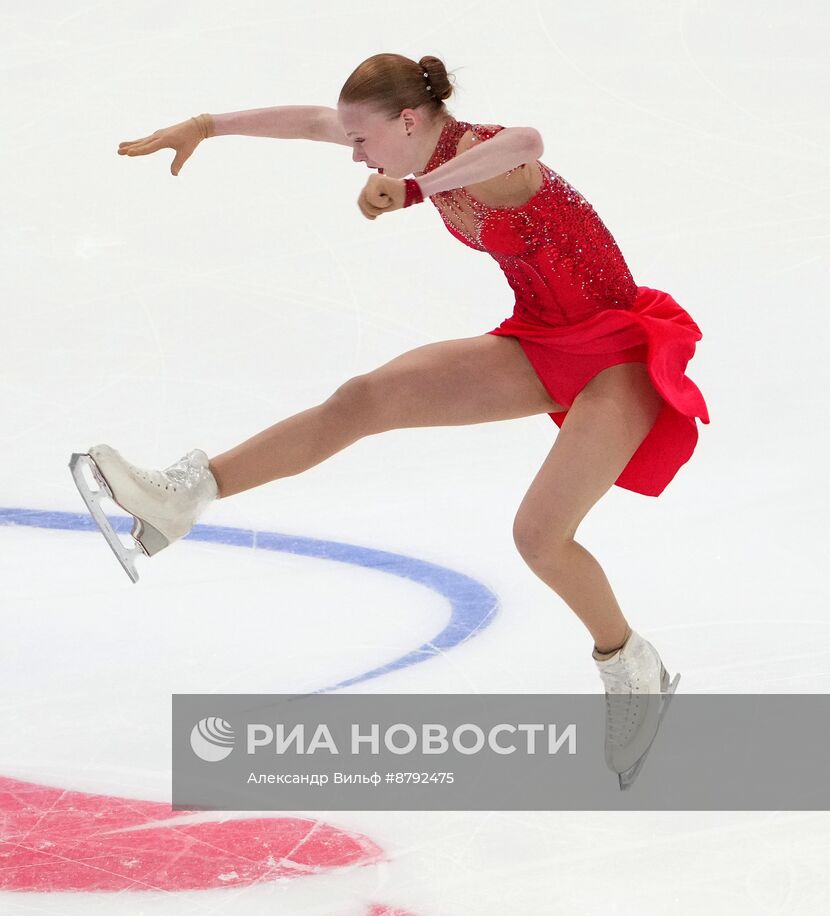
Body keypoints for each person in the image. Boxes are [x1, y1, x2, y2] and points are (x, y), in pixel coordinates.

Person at [77, 53, 706, 788]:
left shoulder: (480, 156)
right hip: (539, 340)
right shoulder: (405, 151)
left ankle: (632, 668)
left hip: (615, 358)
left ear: (409, 122)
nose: (353, 154)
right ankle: (183, 495)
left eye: (364, 140)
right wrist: (207, 126)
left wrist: (413, 188)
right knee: (363, 400)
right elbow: (315, 122)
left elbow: (529, 142)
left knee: (539, 537)